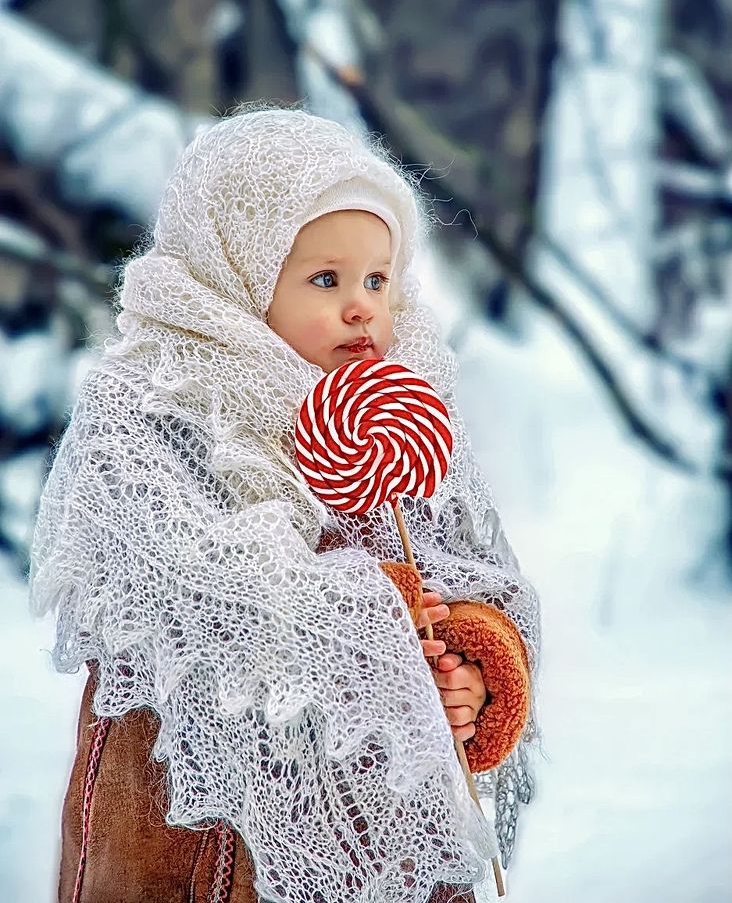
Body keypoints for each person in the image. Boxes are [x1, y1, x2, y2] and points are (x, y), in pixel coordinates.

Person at [29, 106, 542, 903]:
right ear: (235, 270)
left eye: (378, 278)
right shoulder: (145, 405)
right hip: (189, 818)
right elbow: (194, 574)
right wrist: (375, 616)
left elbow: (466, 562)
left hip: (380, 809)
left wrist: (466, 660)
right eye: (325, 279)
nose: (363, 305)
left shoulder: (402, 399)